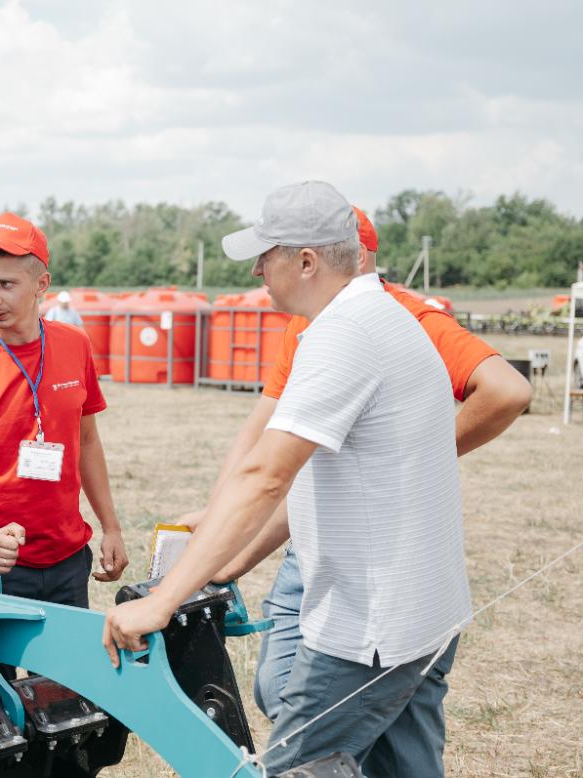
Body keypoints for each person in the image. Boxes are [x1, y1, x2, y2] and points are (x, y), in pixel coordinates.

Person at [104, 181, 473, 775]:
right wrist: (232, 556)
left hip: (369, 631)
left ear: (305, 261)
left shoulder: (340, 335)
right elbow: (315, 475)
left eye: (265, 254)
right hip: (426, 613)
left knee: (296, 766)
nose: (255, 269)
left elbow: (266, 475)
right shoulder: (387, 315)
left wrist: (162, 603)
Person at [180, 206, 530, 760]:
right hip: (341, 549)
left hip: (374, 586)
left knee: (315, 742)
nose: (257, 274)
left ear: (322, 261)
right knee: (299, 695)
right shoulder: (313, 326)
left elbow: (507, 390)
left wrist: (417, 455)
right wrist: (223, 517)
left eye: (267, 259)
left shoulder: (393, 322)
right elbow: (266, 438)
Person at [0, 212, 128, 614]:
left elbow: (86, 441)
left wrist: (111, 526)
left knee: (61, 679)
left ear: (42, 285)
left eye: (6, 284)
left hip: (68, 558)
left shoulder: (74, 346)